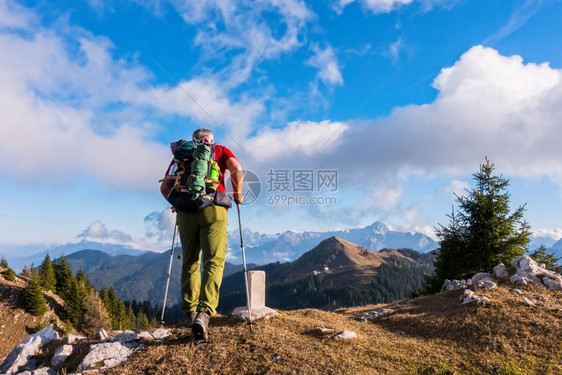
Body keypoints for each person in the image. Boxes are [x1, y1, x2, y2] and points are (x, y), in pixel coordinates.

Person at [160, 128, 244, 340]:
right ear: (211, 140)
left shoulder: (182, 154)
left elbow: (164, 187)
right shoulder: (220, 150)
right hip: (214, 208)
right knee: (213, 262)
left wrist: (177, 203)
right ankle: (204, 313)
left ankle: (190, 312)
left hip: (186, 212)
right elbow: (236, 168)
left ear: (193, 141)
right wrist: (238, 195)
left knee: (190, 261)